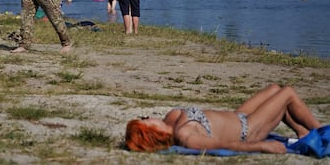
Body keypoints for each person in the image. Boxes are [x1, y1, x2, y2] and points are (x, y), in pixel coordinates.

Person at [126, 84, 322, 154]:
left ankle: (302, 132)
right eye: (145, 119)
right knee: (287, 93)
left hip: (238, 116)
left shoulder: (170, 119)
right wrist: (262, 146)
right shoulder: (185, 135)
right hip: (248, 130)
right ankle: (324, 131)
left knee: (273, 89)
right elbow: (224, 144)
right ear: (152, 133)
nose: (148, 115)